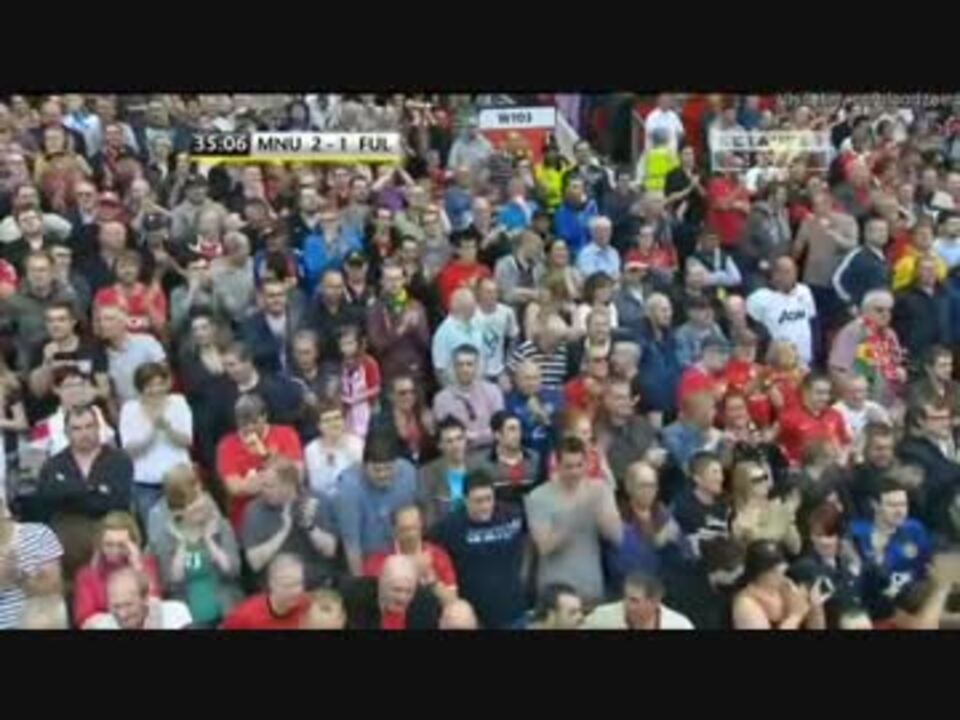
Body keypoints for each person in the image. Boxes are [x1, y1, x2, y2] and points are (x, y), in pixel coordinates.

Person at [31, 406, 133, 583]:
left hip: (110, 537)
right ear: (66, 433)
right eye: (77, 428)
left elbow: (118, 501)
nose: (84, 433)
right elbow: (47, 500)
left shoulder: (119, 460)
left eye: (89, 426)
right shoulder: (54, 465)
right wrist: (93, 490)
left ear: (98, 428)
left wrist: (71, 494)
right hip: (67, 543)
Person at [525, 436, 623, 605]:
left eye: (579, 465)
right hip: (555, 593)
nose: (575, 472)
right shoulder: (538, 497)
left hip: (591, 588)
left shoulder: (599, 489)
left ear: (586, 464)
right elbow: (545, 546)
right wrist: (580, 510)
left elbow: (616, 537)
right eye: (569, 466)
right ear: (557, 465)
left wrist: (604, 511)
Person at [147, 464, 242, 628]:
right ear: (179, 510)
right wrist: (182, 544)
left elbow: (233, 571)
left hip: (226, 610)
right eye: (193, 502)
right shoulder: (166, 536)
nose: (202, 503)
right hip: (188, 618)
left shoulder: (220, 525)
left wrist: (210, 541)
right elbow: (170, 583)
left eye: (201, 494)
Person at [432, 469, 528, 629]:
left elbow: (530, 539)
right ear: (465, 500)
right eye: (478, 501)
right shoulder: (450, 526)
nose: (485, 506)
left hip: (514, 612)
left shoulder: (513, 514)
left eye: (489, 499)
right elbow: (428, 550)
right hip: (474, 618)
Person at [242, 456, 339, 590]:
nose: (263, 490)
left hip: (315, 583)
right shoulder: (254, 510)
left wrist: (310, 527)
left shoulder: (316, 500)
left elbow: (330, 550)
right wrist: (283, 531)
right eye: (262, 484)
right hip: (277, 588)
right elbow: (254, 563)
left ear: (288, 485)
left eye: (269, 486)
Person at [216, 393, 304, 533]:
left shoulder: (286, 434)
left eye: (254, 422)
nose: (249, 428)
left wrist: (264, 456)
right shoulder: (227, 445)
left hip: (288, 510)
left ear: (264, 416)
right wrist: (275, 482)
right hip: (248, 518)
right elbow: (235, 488)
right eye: (244, 424)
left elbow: (296, 476)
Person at [335, 432, 419, 576]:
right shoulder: (348, 488)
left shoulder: (408, 473)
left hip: (402, 554)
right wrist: (361, 583)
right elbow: (351, 543)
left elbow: (413, 523)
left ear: (397, 463)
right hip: (368, 559)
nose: (383, 475)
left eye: (388, 468)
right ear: (364, 466)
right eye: (376, 470)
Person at [848, 479, 932, 622]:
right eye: (892, 505)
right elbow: (857, 585)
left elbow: (925, 571)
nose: (900, 511)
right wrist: (877, 554)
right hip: (873, 614)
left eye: (903, 504)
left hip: (911, 608)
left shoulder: (914, 529)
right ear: (875, 505)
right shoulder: (857, 534)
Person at [119, 362, 193, 524]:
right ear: (140, 388)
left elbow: (187, 441)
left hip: (179, 480)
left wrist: (168, 428)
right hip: (146, 485)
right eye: (150, 385)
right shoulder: (129, 409)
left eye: (160, 383)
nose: (156, 389)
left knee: (188, 525)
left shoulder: (178, 402)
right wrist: (152, 432)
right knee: (155, 529)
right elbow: (129, 450)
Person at [73, 511, 162, 629]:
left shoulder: (146, 565)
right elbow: (85, 620)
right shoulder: (87, 575)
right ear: (100, 545)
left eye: (121, 545)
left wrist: (138, 566)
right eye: (109, 545)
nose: (115, 551)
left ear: (133, 544)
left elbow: (154, 606)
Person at [363, 503, 457, 607]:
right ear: (394, 530)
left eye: (414, 528)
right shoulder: (379, 560)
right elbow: (370, 601)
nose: (411, 534)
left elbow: (452, 602)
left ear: (421, 526)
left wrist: (432, 581)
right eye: (405, 529)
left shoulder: (439, 556)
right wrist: (412, 567)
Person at [829, 289, 907, 407]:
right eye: (879, 310)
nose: (885, 314)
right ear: (865, 311)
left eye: (889, 310)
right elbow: (837, 370)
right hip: (859, 402)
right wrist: (855, 400)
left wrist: (900, 372)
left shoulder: (890, 334)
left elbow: (897, 364)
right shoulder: (853, 332)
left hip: (887, 402)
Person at [732, 540, 828, 629]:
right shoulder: (746, 604)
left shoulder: (786, 586)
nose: (782, 577)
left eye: (783, 571)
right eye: (775, 572)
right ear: (760, 574)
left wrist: (815, 606)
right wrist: (795, 616)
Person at [0, 496, 63, 630]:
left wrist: (20, 577)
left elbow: (53, 588)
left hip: (38, 621)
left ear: (5, 510)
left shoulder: (38, 534)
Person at [366, 261, 431, 387]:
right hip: (388, 372)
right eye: (389, 279)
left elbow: (426, 343)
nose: (394, 283)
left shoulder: (415, 306)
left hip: (413, 370)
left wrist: (416, 328)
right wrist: (401, 328)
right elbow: (377, 345)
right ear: (382, 282)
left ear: (404, 280)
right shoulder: (375, 309)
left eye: (397, 279)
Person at [746, 256, 817, 367]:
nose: (790, 276)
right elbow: (750, 324)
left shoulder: (804, 291)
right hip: (777, 361)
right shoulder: (761, 297)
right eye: (785, 272)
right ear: (775, 274)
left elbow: (810, 319)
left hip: (803, 362)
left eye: (792, 272)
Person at [343, 553, 442, 630]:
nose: (402, 597)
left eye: (409, 591)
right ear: (381, 583)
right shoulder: (355, 595)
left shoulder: (426, 605)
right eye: (396, 590)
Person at [96, 303, 167, 407]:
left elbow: (165, 374)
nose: (102, 324)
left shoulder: (146, 342)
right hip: (127, 410)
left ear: (123, 321)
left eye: (109, 319)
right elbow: (111, 395)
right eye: (99, 320)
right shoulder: (101, 355)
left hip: (155, 404)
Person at [777, 373, 852, 468]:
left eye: (827, 393)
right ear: (805, 391)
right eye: (819, 393)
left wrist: (842, 459)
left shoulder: (835, 415)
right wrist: (791, 463)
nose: (825, 398)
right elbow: (778, 445)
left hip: (832, 471)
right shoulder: (789, 417)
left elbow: (846, 443)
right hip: (803, 472)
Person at [729, 460, 802, 556]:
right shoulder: (738, 515)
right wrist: (784, 516)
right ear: (744, 484)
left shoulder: (777, 508)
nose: (764, 482)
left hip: (778, 560)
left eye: (765, 478)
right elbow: (758, 545)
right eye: (757, 480)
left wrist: (789, 516)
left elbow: (795, 548)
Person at [222, 553, 312, 630]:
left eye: (299, 583)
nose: (296, 591)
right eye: (288, 585)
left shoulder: (306, 605)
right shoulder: (246, 615)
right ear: (272, 584)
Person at [83, 567, 193, 630]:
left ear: (146, 598)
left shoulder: (175, 613)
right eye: (116, 606)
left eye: (128, 605)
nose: (122, 614)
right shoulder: (102, 625)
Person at [892, 256, 951, 369]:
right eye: (926, 269)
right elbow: (894, 323)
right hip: (915, 355)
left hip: (942, 353)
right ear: (916, 272)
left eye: (933, 268)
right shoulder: (902, 295)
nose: (931, 272)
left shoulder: (945, 294)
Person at [92, 250, 167, 338]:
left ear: (139, 269)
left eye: (132, 266)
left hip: (147, 342)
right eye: (123, 266)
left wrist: (148, 305)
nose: (128, 270)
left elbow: (161, 328)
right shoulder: (103, 295)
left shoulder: (153, 293)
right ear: (115, 270)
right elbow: (97, 330)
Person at [583, 571, 695, 630]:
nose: (626, 605)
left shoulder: (679, 625)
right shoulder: (602, 616)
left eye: (634, 600)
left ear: (654, 603)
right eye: (625, 597)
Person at [418, 417, 477, 528]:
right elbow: (430, 518)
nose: (456, 445)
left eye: (459, 438)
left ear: (466, 440)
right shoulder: (427, 474)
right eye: (449, 441)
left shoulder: (479, 466)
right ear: (440, 445)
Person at [303, 401, 363, 498]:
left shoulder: (357, 444)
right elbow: (315, 485)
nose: (333, 423)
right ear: (319, 426)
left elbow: (361, 479)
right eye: (327, 420)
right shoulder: (311, 450)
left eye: (337, 418)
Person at [832, 215, 892, 311]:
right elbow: (837, 280)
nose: (883, 234)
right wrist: (851, 304)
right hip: (862, 311)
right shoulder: (857, 255)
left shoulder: (885, 259)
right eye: (878, 230)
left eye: (885, 230)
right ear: (866, 233)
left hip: (881, 310)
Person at [308, 269, 365, 362]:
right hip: (323, 365)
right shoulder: (311, 314)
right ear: (321, 287)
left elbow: (361, 341)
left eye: (339, 287)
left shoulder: (354, 313)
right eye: (331, 286)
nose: (335, 291)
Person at [432, 288, 485, 386]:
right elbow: (440, 369)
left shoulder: (476, 326)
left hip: (478, 387)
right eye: (473, 304)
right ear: (463, 307)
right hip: (456, 389)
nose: (476, 307)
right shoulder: (444, 332)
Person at [474, 277, 520, 388]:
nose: (492, 295)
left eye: (495, 292)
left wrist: (507, 369)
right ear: (479, 293)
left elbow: (514, 341)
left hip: (499, 371)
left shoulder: (507, 312)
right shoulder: (471, 314)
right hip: (477, 371)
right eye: (488, 292)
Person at [832, 375, 893, 452]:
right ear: (844, 392)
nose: (858, 396)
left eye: (861, 391)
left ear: (867, 391)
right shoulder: (835, 412)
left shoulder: (875, 408)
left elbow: (890, 434)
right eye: (852, 392)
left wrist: (880, 422)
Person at [436, 229, 492, 312]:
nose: (471, 251)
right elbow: (448, 305)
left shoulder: (484, 270)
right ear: (458, 250)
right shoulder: (447, 274)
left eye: (473, 247)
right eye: (467, 248)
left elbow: (491, 298)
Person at [494, 230, 543, 309]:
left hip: (533, 308)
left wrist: (519, 291)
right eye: (537, 246)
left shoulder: (538, 267)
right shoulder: (504, 263)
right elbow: (505, 294)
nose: (538, 251)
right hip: (509, 308)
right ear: (525, 245)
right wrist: (530, 293)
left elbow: (541, 294)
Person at [675, 298, 728, 370]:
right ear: (691, 313)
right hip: (696, 372)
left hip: (718, 370)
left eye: (710, 308)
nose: (709, 312)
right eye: (703, 309)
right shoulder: (682, 334)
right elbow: (684, 362)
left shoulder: (714, 327)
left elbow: (725, 349)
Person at [553, 177, 599, 257]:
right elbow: (565, 238)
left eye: (577, 187)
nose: (574, 190)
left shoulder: (591, 207)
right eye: (572, 187)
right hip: (572, 254)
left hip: (592, 253)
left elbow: (596, 232)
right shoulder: (561, 212)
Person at [575, 216, 621, 281]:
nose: (604, 234)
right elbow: (591, 278)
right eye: (600, 231)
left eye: (607, 230)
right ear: (592, 233)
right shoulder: (585, 253)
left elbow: (616, 275)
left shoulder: (614, 252)